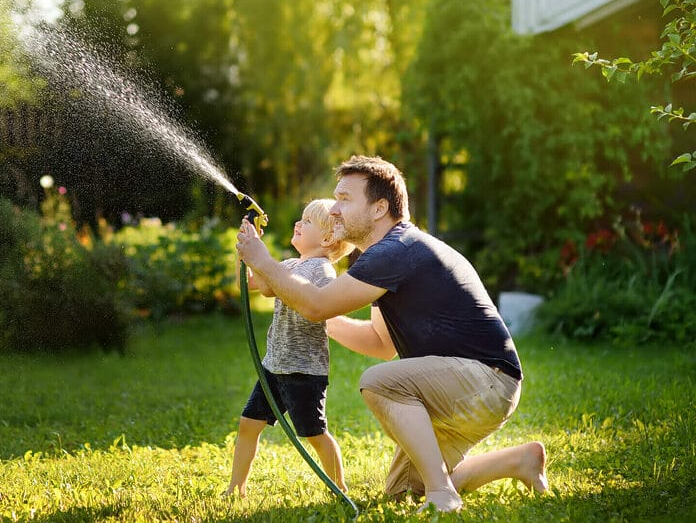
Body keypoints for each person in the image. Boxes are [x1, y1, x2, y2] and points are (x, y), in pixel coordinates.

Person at [235, 155, 548, 513]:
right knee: (402, 492)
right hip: (469, 386)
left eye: (345, 199)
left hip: (485, 381)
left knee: (379, 381)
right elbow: (380, 344)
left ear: (379, 207)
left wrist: (263, 262)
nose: (334, 209)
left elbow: (317, 305)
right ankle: (519, 461)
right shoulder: (384, 256)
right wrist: (320, 320)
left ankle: (442, 495)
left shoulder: (395, 250)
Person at [224, 199, 356, 498]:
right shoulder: (287, 265)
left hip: (304, 371)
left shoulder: (322, 271)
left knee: (314, 433)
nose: (298, 224)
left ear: (326, 239)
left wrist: (263, 259)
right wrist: (245, 252)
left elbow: (316, 301)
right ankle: (236, 487)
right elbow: (255, 284)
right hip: (274, 365)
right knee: (248, 423)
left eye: (307, 222)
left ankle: (339, 487)